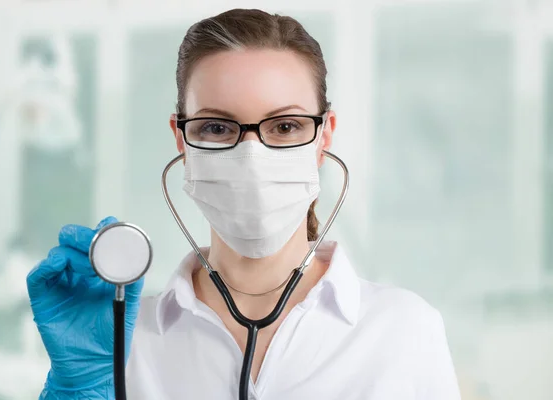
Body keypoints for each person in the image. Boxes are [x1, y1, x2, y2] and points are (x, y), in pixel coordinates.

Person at [26, 9, 461, 400]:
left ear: (324, 136)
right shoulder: (122, 342)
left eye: (286, 125)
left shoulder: (403, 331)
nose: (252, 156)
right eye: (217, 127)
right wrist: (75, 390)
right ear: (182, 139)